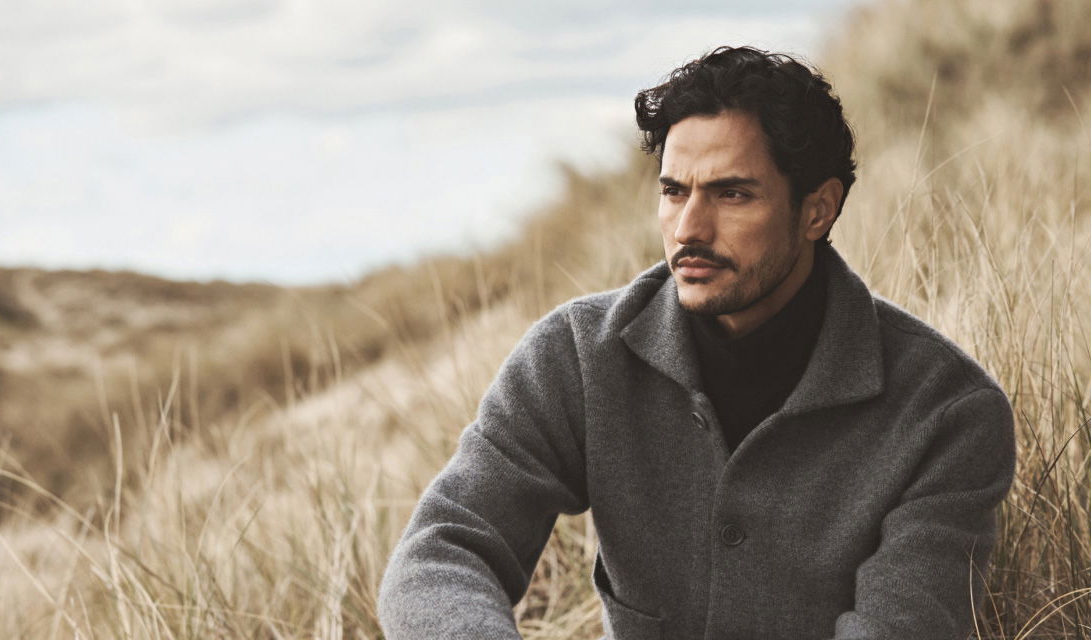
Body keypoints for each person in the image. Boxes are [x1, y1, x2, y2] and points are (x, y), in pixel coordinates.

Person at [376, 46, 1016, 639]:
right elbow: (445, 547)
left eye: (731, 194)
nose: (688, 228)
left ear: (818, 209)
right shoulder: (574, 354)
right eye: (673, 191)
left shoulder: (948, 413)